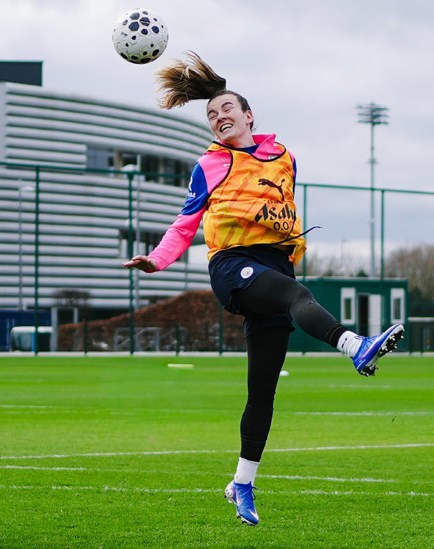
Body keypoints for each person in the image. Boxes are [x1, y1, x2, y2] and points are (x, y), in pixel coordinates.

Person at [123, 52, 404, 526]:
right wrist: (158, 259)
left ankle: (242, 484)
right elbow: (185, 222)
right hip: (233, 267)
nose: (219, 117)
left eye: (226, 109)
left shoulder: (285, 157)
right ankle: (355, 346)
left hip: (275, 267)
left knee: (263, 393)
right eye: (212, 115)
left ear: (249, 115)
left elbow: (280, 216)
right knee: (299, 299)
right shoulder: (209, 164)